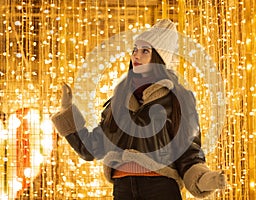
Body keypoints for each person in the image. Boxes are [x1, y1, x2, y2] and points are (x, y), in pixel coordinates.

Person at [51, 19, 226, 200]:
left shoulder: (178, 100)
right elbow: (92, 147)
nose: (136, 55)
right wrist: (67, 112)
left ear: (159, 57)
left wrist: (203, 179)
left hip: (160, 189)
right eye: (135, 49)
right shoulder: (119, 101)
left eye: (145, 51)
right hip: (123, 189)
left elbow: (188, 151)